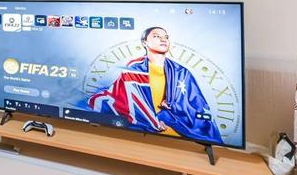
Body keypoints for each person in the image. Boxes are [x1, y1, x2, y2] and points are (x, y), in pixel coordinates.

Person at [85, 26, 221, 143]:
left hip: (180, 139)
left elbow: (197, 107)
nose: (163, 39)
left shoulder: (181, 73)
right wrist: (152, 121)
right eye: (157, 36)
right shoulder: (133, 70)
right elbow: (121, 101)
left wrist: (172, 106)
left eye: (166, 37)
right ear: (145, 42)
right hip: (139, 137)